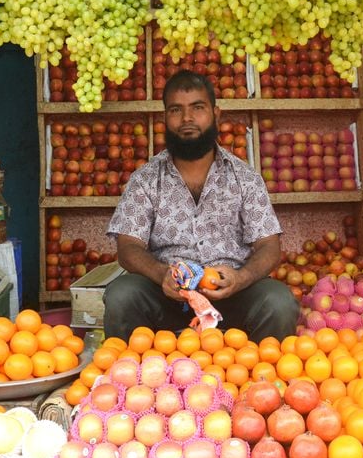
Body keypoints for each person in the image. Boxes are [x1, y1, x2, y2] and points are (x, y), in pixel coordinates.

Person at [103, 70, 299, 343]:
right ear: (165, 118)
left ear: (216, 115)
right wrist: (162, 275)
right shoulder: (146, 179)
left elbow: (269, 245)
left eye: (197, 108)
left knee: (279, 301)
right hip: (168, 297)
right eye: (176, 110)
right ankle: (131, 376)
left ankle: (263, 377)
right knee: (122, 294)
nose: (187, 119)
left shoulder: (244, 177)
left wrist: (241, 278)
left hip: (231, 297)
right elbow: (127, 248)